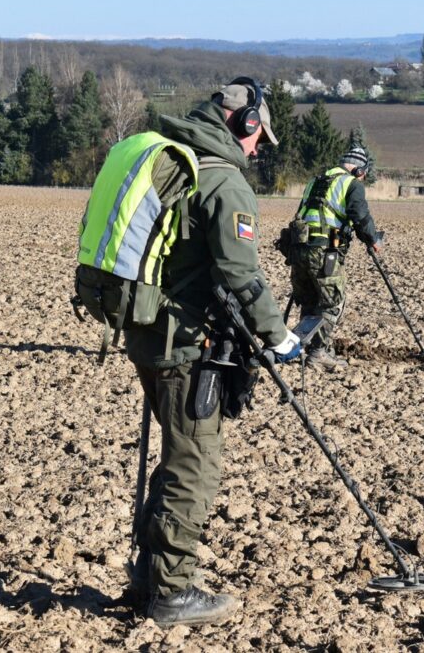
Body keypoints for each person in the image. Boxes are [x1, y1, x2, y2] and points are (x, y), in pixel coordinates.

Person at [122, 78, 299, 627]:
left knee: (177, 458)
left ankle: (149, 575)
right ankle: (172, 594)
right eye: (258, 138)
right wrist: (279, 335)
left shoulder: (173, 163)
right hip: (187, 348)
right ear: (244, 125)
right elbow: (241, 273)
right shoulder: (223, 183)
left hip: (149, 335)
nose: (257, 149)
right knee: (194, 467)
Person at [288, 146, 382, 372]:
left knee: (310, 300)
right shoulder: (351, 184)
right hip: (323, 253)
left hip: (298, 251)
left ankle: (306, 347)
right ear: (359, 168)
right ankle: (318, 353)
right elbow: (360, 217)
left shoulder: (315, 181)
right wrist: (373, 240)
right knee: (332, 302)